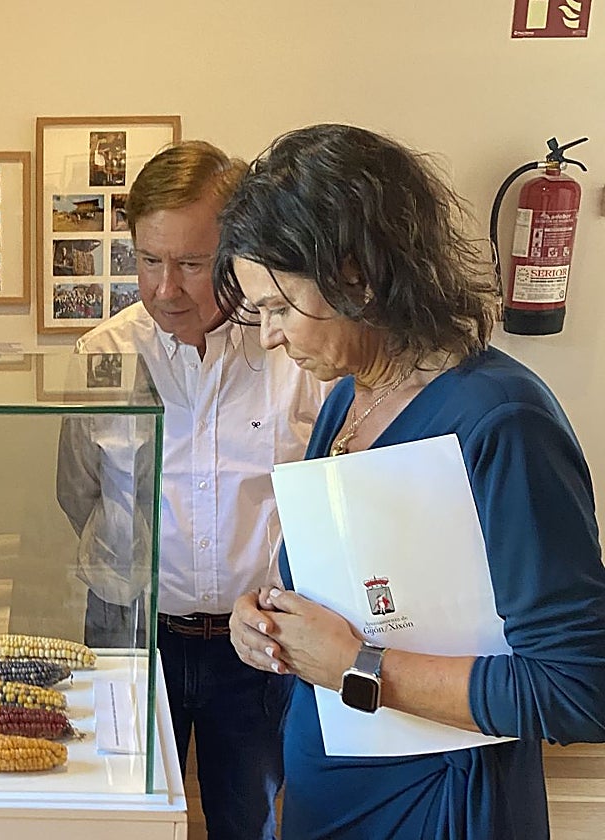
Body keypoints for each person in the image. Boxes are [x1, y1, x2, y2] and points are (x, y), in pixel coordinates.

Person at [218, 123, 605, 839]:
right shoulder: (348, 394)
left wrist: (358, 666)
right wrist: (268, 620)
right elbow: (364, 594)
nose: (269, 335)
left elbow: (579, 687)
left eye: (278, 307)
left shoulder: (501, 421)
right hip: (329, 785)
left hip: (435, 805)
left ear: (356, 275)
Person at [56, 141, 326, 840]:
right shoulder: (101, 358)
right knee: (126, 817)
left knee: (247, 820)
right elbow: (78, 495)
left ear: (237, 249)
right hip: (132, 635)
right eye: (149, 261)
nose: (165, 288)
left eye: (193, 263)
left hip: (260, 649)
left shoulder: (294, 356)